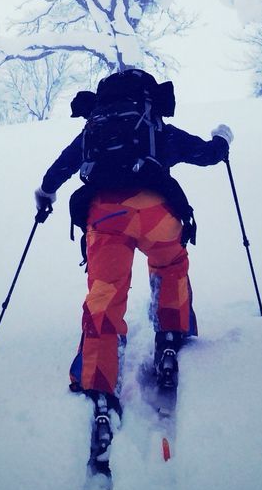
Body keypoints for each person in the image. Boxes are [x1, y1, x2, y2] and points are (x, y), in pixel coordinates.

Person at [34, 66, 232, 434]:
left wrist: (45, 194)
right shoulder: (157, 128)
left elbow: (57, 170)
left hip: (105, 217)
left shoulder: (92, 132)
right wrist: (222, 140)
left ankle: (98, 383)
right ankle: (170, 335)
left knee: (105, 295)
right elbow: (206, 155)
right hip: (158, 213)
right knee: (170, 264)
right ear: (147, 98)